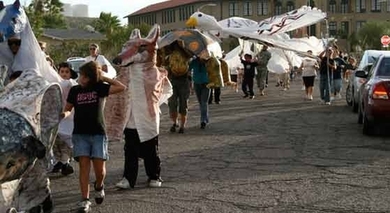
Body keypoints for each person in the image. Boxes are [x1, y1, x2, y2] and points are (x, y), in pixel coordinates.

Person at [62, 61, 126, 212]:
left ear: (90, 78)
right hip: (80, 134)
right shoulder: (75, 90)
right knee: (84, 168)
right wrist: (62, 115)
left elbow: (121, 87)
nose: (80, 79)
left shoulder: (99, 88)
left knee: (100, 170)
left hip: (98, 133)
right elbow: (68, 109)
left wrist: (104, 78)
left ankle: (99, 185)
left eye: (83, 76)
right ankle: (85, 200)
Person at [51, 62, 78, 176]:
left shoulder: (72, 84)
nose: (64, 74)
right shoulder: (55, 83)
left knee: (67, 140)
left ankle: (64, 162)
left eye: (67, 72)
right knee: (56, 140)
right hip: (57, 115)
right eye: (62, 71)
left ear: (70, 73)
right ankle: (61, 162)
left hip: (69, 115)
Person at [167, 56, 191, 134]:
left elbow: (190, 68)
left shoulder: (187, 53)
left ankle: (182, 126)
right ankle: (175, 123)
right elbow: (165, 66)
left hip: (184, 82)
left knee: (184, 104)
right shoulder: (169, 53)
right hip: (172, 81)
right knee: (172, 104)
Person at [189, 56, 210, 129]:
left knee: (204, 102)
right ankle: (205, 117)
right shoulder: (194, 61)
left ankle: (203, 120)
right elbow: (188, 69)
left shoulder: (209, 61)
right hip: (197, 84)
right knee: (201, 103)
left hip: (206, 84)